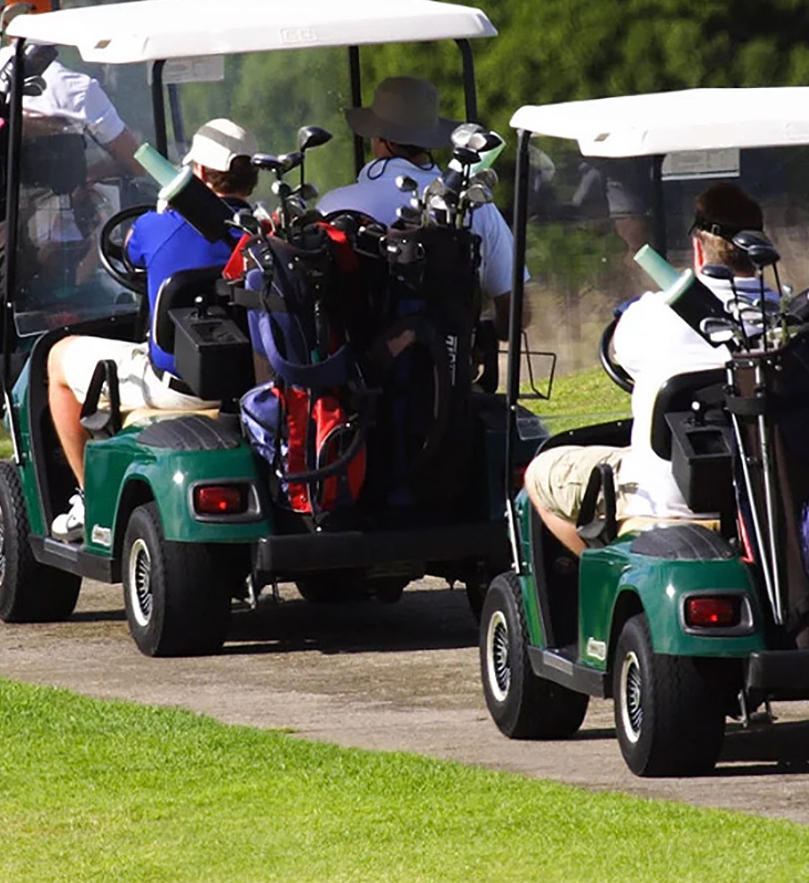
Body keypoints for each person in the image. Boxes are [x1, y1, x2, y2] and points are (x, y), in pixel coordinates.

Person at [524, 182, 772, 556]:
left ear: (698, 248)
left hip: (661, 499)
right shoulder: (789, 317)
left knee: (540, 473)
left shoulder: (650, 314)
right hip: (758, 494)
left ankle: (599, 570)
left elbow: (621, 356)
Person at [42, 119, 259, 540]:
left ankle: (88, 497)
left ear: (195, 174)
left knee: (57, 360)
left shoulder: (159, 225)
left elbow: (131, 251)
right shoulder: (263, 231)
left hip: (177, 386)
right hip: (250, 380)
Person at [317, 75, 518, 324]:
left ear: (380, 137)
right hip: (449, 361)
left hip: (354, 361)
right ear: (429, 141)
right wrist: (473, 330)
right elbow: (515, 315)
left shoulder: (333, 205)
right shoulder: (474, 205)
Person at [0, 0, 144, 181]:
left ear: (6, 16)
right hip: (64, 210)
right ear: (57, 15)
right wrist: (94, 173)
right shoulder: (78, 89)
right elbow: (137, 163)